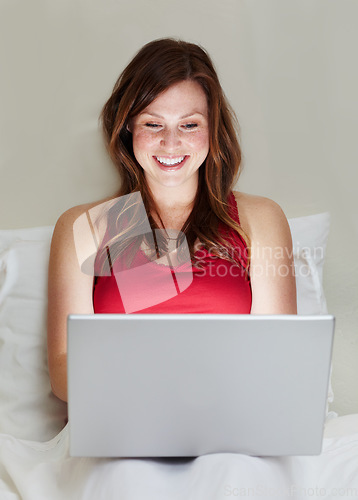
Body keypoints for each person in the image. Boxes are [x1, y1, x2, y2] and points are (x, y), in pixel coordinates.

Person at [47, 38, 297, 403]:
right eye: (153, 123)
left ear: (213, 129)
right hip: (122, 422)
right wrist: (153, 392)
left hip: (230, 424)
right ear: (128, 127)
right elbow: (63, 369)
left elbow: (281, 357)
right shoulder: (86, 226)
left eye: (190, 125)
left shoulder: (259, 219)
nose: (170, 143)